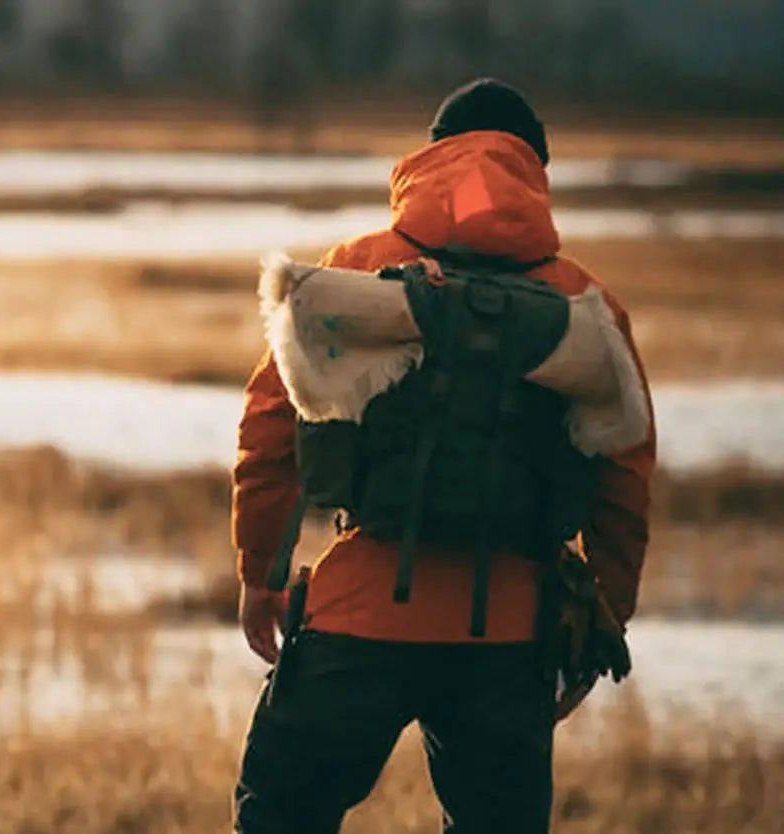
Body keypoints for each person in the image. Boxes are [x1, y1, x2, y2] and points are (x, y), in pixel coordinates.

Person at [231, 78, 656, 834]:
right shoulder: (583, 301)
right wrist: (603, 616)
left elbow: (273, 424)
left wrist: (262, 573)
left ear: (431, 155)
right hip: (507, 637)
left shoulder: (359, 264)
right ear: (538, 173)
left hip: (354, 617)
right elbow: (624, 470)